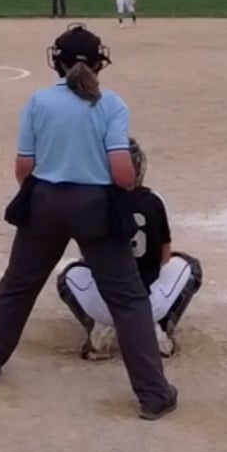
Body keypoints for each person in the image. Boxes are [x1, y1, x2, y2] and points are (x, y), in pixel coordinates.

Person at [0, 23, 176, 421]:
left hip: (44, 200)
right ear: (99, 63)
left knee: (18, 286)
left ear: (56, 62)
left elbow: (24, 168)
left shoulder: (39, 101)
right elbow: (123, 173)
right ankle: (153, 395)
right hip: (95, 205)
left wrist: (47, 195)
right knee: (128, 299)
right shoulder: (110, 104)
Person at [56, 137, 202, 361]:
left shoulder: (90, 200)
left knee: (67, 276)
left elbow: (88, 257)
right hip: (147, 305)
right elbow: (164, 257)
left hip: (104, 303)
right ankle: (160, 328)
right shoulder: (153, 200)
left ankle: (97, 328)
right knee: (190, 266)